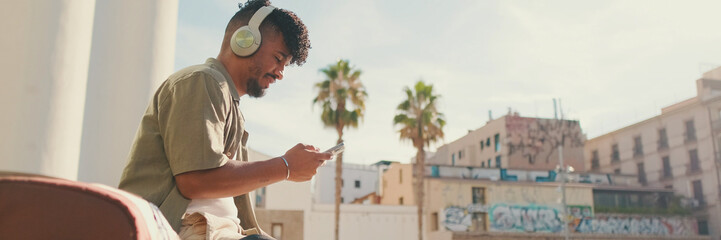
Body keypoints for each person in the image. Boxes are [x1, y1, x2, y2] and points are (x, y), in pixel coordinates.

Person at [118, 1, 331, 239]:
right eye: (278, 57)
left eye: (286, 65)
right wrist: (286, 166)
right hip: (182, 228)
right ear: (245, 40)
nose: (281, 73)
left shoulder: (228, 103)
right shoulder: (201, 81)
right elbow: (195, 180)